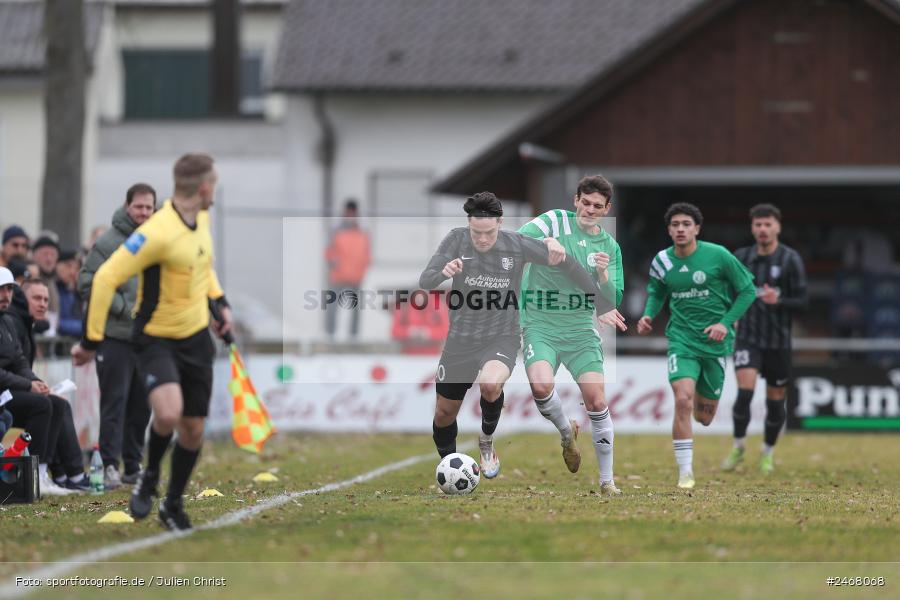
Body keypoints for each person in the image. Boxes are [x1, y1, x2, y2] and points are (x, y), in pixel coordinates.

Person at [72, 153, 233, 531]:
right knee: (167, 413)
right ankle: (147, 476)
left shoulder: (203, 219)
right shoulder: (155, 233)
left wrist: (220, 305)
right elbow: (104, 278)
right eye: (216, 184)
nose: (216, 191)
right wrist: (92, 340)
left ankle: (172, 503)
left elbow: (203, 265)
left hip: (196, 339)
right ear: (205, 187)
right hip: (156, 338)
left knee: (193, 429)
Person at [419, 192, 614, 478]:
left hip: (501, 336)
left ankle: (486, 441)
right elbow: (426, 279)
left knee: (490, 385)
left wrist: (600, 303)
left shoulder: (516, 245)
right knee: (444, 415)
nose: (482, 240)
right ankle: (451, 469)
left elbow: (569, 264)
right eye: (476, 233)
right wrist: (443, 273)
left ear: (500, 223)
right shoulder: (455, 239)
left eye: (488, 233)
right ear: (468, 224)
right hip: (460, 339)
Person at [517, 175, 626, 496]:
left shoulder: (609, 246)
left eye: (598, 206)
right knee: (540, 385)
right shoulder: (553, 221)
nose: (590, 210)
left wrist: (604, 274)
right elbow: (516, 239)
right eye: (586, 202)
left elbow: (614, 296)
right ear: (576, 200)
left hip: (580, 329)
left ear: (607, 209)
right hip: (540, 323)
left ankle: (607, 481)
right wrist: (544, 244)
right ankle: (567, 434)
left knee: (597, 400)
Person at [637, 203, 755, 489]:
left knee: (704, 417)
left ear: (697, 229)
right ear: (669, 230)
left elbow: (748, 290)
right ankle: (685, 472)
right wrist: (648, 314)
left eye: (686, 224)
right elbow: (657, 291)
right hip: (681, 340)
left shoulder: (718, 256)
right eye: (675, 224)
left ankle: (697, 419)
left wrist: (725, 323)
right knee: (682, 399)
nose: (680, 229)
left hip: (715, 344)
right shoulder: (662, 261)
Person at [77, 183, 156, 489]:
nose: (144, 212)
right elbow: (87, 281)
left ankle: (133, 465)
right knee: (115, 402)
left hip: (145, 339)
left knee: (142, 404)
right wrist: (125, 308)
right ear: (127, 207)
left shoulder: (155, 240)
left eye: (149, 207)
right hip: (115, 336)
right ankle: (110, 464)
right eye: (139, 207)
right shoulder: (110, 242)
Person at [722, 203, 807, 474]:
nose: (762, 229)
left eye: (768, 224)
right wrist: (730, 315)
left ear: (777, 227)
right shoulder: (742, 257)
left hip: (779, 341)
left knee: (775, 401)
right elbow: (726, 291)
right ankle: (738, 446)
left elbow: (803, 301)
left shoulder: (790, 260)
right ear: (752, 228)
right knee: (744, 394)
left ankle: (767, 453)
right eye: (758, 224)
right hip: (748, 337)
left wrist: (779, 299)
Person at [7, 277, 88, 492]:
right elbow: (11, 369)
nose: (43, 303)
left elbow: (20, 364)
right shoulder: (12, 323)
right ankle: (36, 476)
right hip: (6, 393)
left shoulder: (18, 322)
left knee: (56, 403)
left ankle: (64, 475)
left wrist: (37, 383)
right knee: (45, 405)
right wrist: (29, 385)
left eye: (46, 299)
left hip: (13, 390)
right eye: (36, 298)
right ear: (21, 299)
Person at [324, 200, 370, 340]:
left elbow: (367, 255)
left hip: (356, 278)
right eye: (348, 213)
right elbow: (328, 252)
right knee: (332, 307)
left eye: (353, 213)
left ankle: (353, 338)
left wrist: (361, 271)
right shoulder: (336, 231)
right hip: (337, 277)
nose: (350, 216)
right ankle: (329, 336)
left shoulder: (363, 232)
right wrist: (334, 264)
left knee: (356, 309)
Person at [31, 235, 61, 325]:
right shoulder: (28, 281)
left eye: (53, 255)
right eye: (45, 254)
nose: (49, 259)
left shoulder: (54, 281)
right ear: (34, 256)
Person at [55, 250, 83, 338]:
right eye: (68, 265)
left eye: (76, 268)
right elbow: (56, 323)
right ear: (56, 264)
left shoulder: (74, 292)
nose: (72, 272)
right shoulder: (50, 289)